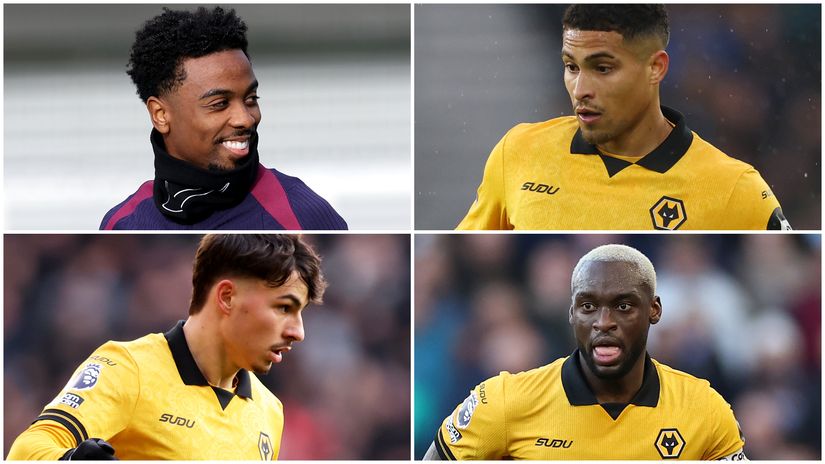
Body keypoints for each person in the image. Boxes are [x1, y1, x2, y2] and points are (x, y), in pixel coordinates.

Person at [457, 4, 790, 230]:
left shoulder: (735, 190)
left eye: (602, 68)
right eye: (571, 66)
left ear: (655, 68)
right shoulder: (518, 150)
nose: (580, 89)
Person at [7, 234, 325, 460]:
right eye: (285, 308)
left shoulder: (270, 411)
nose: (298, 331)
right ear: (227, 297)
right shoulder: (128, 368)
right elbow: (27, 450)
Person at [424, 244, 746, 460]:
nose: (603, 323)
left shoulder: (704, 409)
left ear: (654, 310)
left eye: (623, 306)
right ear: (571, 313)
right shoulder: (504, 401)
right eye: (588, 306)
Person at [100, 7, 347, 230]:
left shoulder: (302, 214)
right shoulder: (123, 222)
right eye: (219, 104)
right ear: (160, 115)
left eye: (251, 98)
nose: (246, 119)